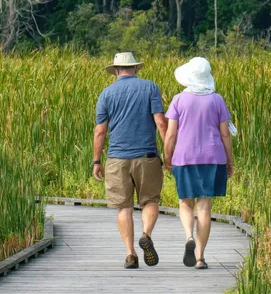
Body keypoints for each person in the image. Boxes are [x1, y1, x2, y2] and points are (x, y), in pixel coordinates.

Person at [93, 52, 168, 269]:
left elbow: (100, 131)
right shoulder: (150, 87)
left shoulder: (106, 94)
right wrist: (170, 152)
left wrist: (96, 161)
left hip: (117, 158)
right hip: (147, 156)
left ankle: (130, 254)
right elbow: (161, 122)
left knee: (123, 207)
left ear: (116, 70)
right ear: (135, 68)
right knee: (150, 200)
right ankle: (146, 234)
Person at [163, 57, 235, 270]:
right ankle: (201, 257)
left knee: (185, 202)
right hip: (213, 157)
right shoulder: (217, 100)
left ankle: (188, 237)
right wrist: (229, 161)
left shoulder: (178, 100)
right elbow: (225, 135)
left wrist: (167, 157)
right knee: (204, 206)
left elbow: (171, 134)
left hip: (184, 157)